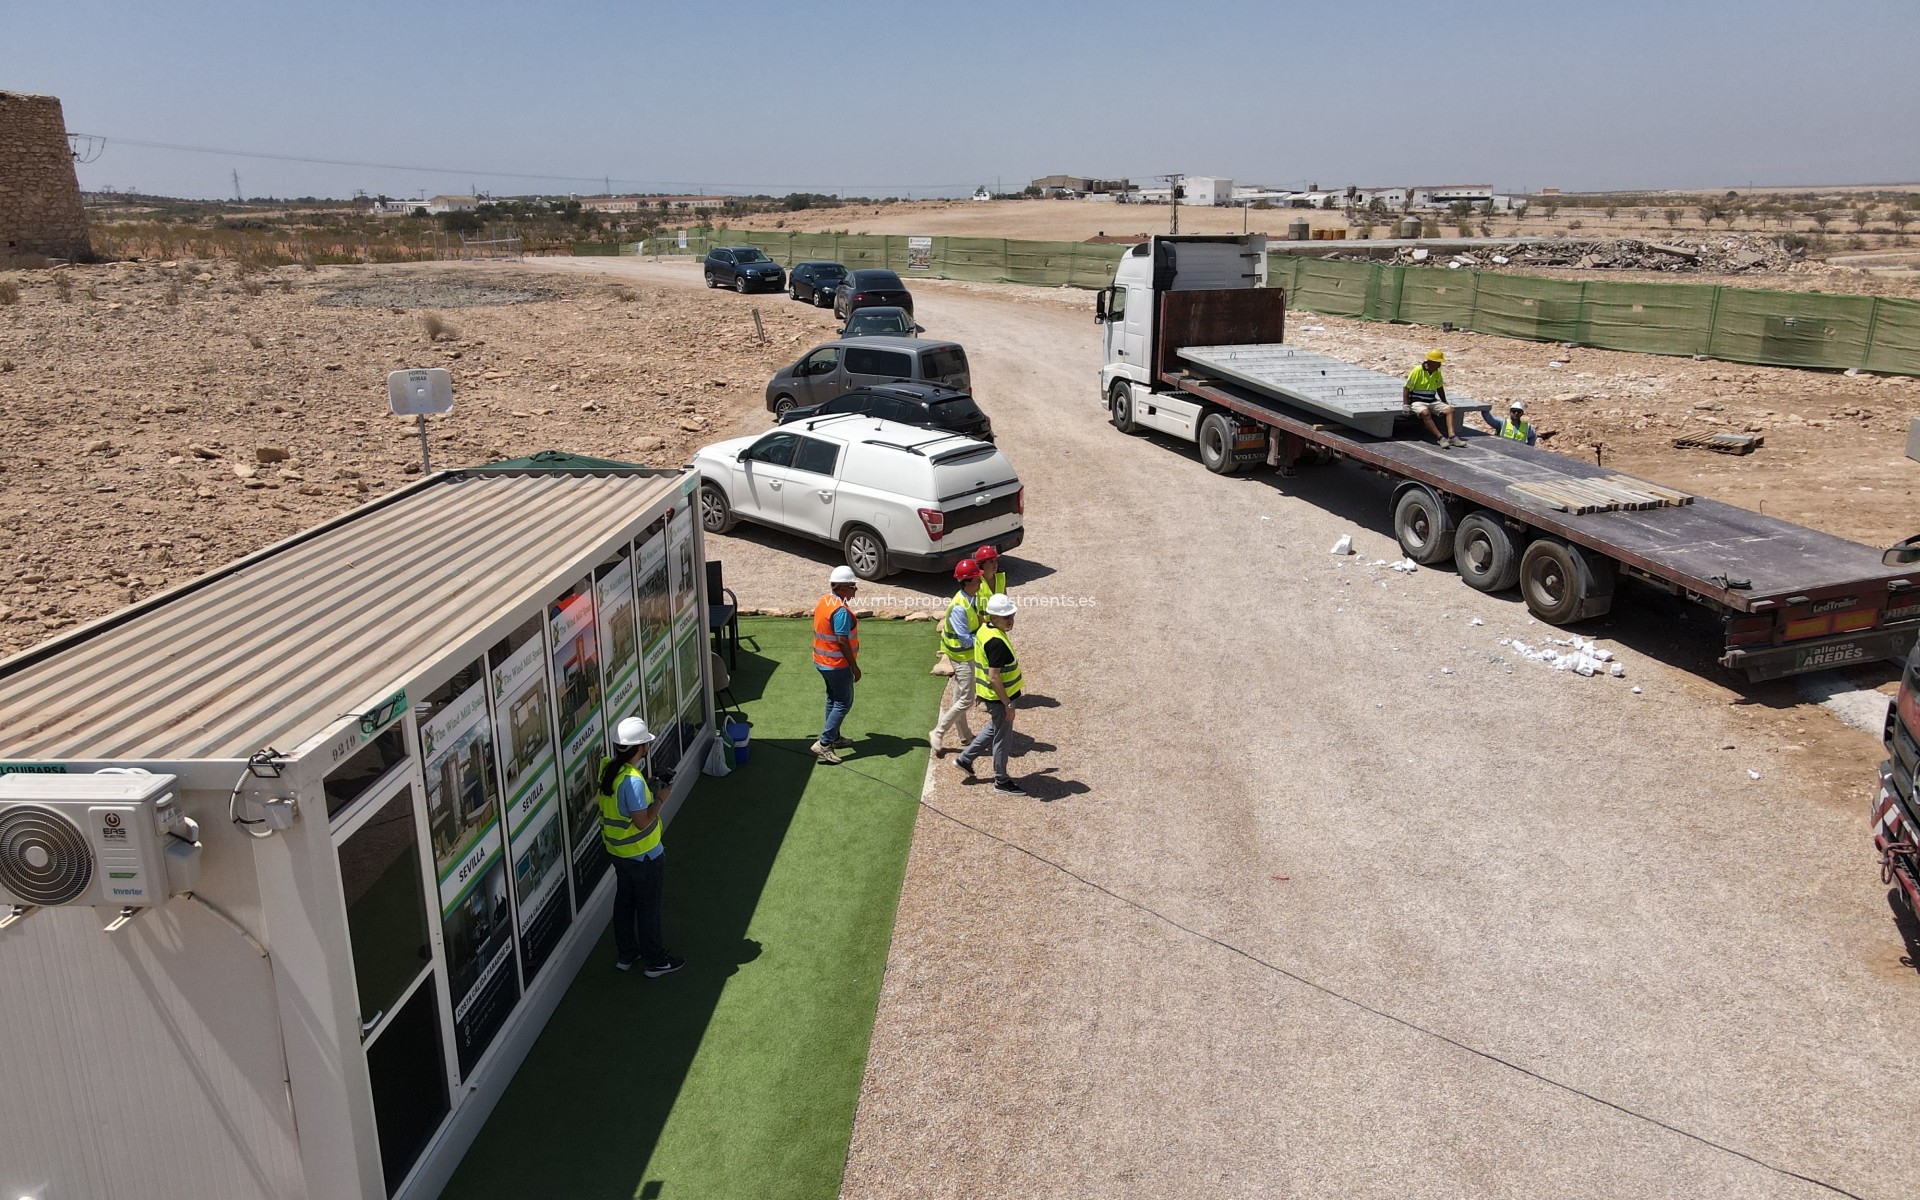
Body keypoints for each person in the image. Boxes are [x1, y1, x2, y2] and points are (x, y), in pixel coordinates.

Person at [598, 716, 683, 977]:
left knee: (624, 903)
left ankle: (627, 954)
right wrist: (660, 798)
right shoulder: (632, 781)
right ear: (641, 748)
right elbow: (642, 822)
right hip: (643, 856)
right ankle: (655, 961)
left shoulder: (609, 770)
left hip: (619, 853)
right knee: (648, 909)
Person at [955, 593, 1026, 795]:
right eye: (1006, 617)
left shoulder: (985, 630)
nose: (1011, 620)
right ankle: (1001, 780)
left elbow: (982, 665)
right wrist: (1008, 704)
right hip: (1000, 697)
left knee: (995, 728)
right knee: (1003, 737)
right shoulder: (996, 642)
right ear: (993, 617)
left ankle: (965, 759)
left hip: (990, 694)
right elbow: (994, 677)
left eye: (1012, 615)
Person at [929, 559, 985, 754]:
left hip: (964, 654)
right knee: (967, 699)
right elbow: (966, 640)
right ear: (966, 582)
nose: (980, 581)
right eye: (977, 579)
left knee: (960, 694)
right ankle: (938, 731)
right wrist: (986, 634)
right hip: (961, 656)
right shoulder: (960, 607)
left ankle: (965, 736)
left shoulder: (971, 598)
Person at [810, 565, 861, 765]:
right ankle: (823, 743)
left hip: (822, 662)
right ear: (840, 588)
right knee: (843, 702)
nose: (855, 589)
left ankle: (834, 737)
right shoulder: (840, 611)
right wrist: (854, 667)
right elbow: (841, 640)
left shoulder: (825, 601)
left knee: (833, 698)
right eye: (852, 586)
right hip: (837, 665)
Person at [1403, 349, 1462, 448]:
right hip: (1417, 401)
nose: (1439, 365)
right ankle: (1440, 438)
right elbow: (1407, 388)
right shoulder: (1417, 371)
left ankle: (1452, 437)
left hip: (1431, 400)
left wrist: (1444, 401)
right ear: (1430, 362)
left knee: (1450, 410)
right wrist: (1406, 404)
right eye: (1438, 363)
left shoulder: (1437, 372)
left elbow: (1439, 388)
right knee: (1425, 413)